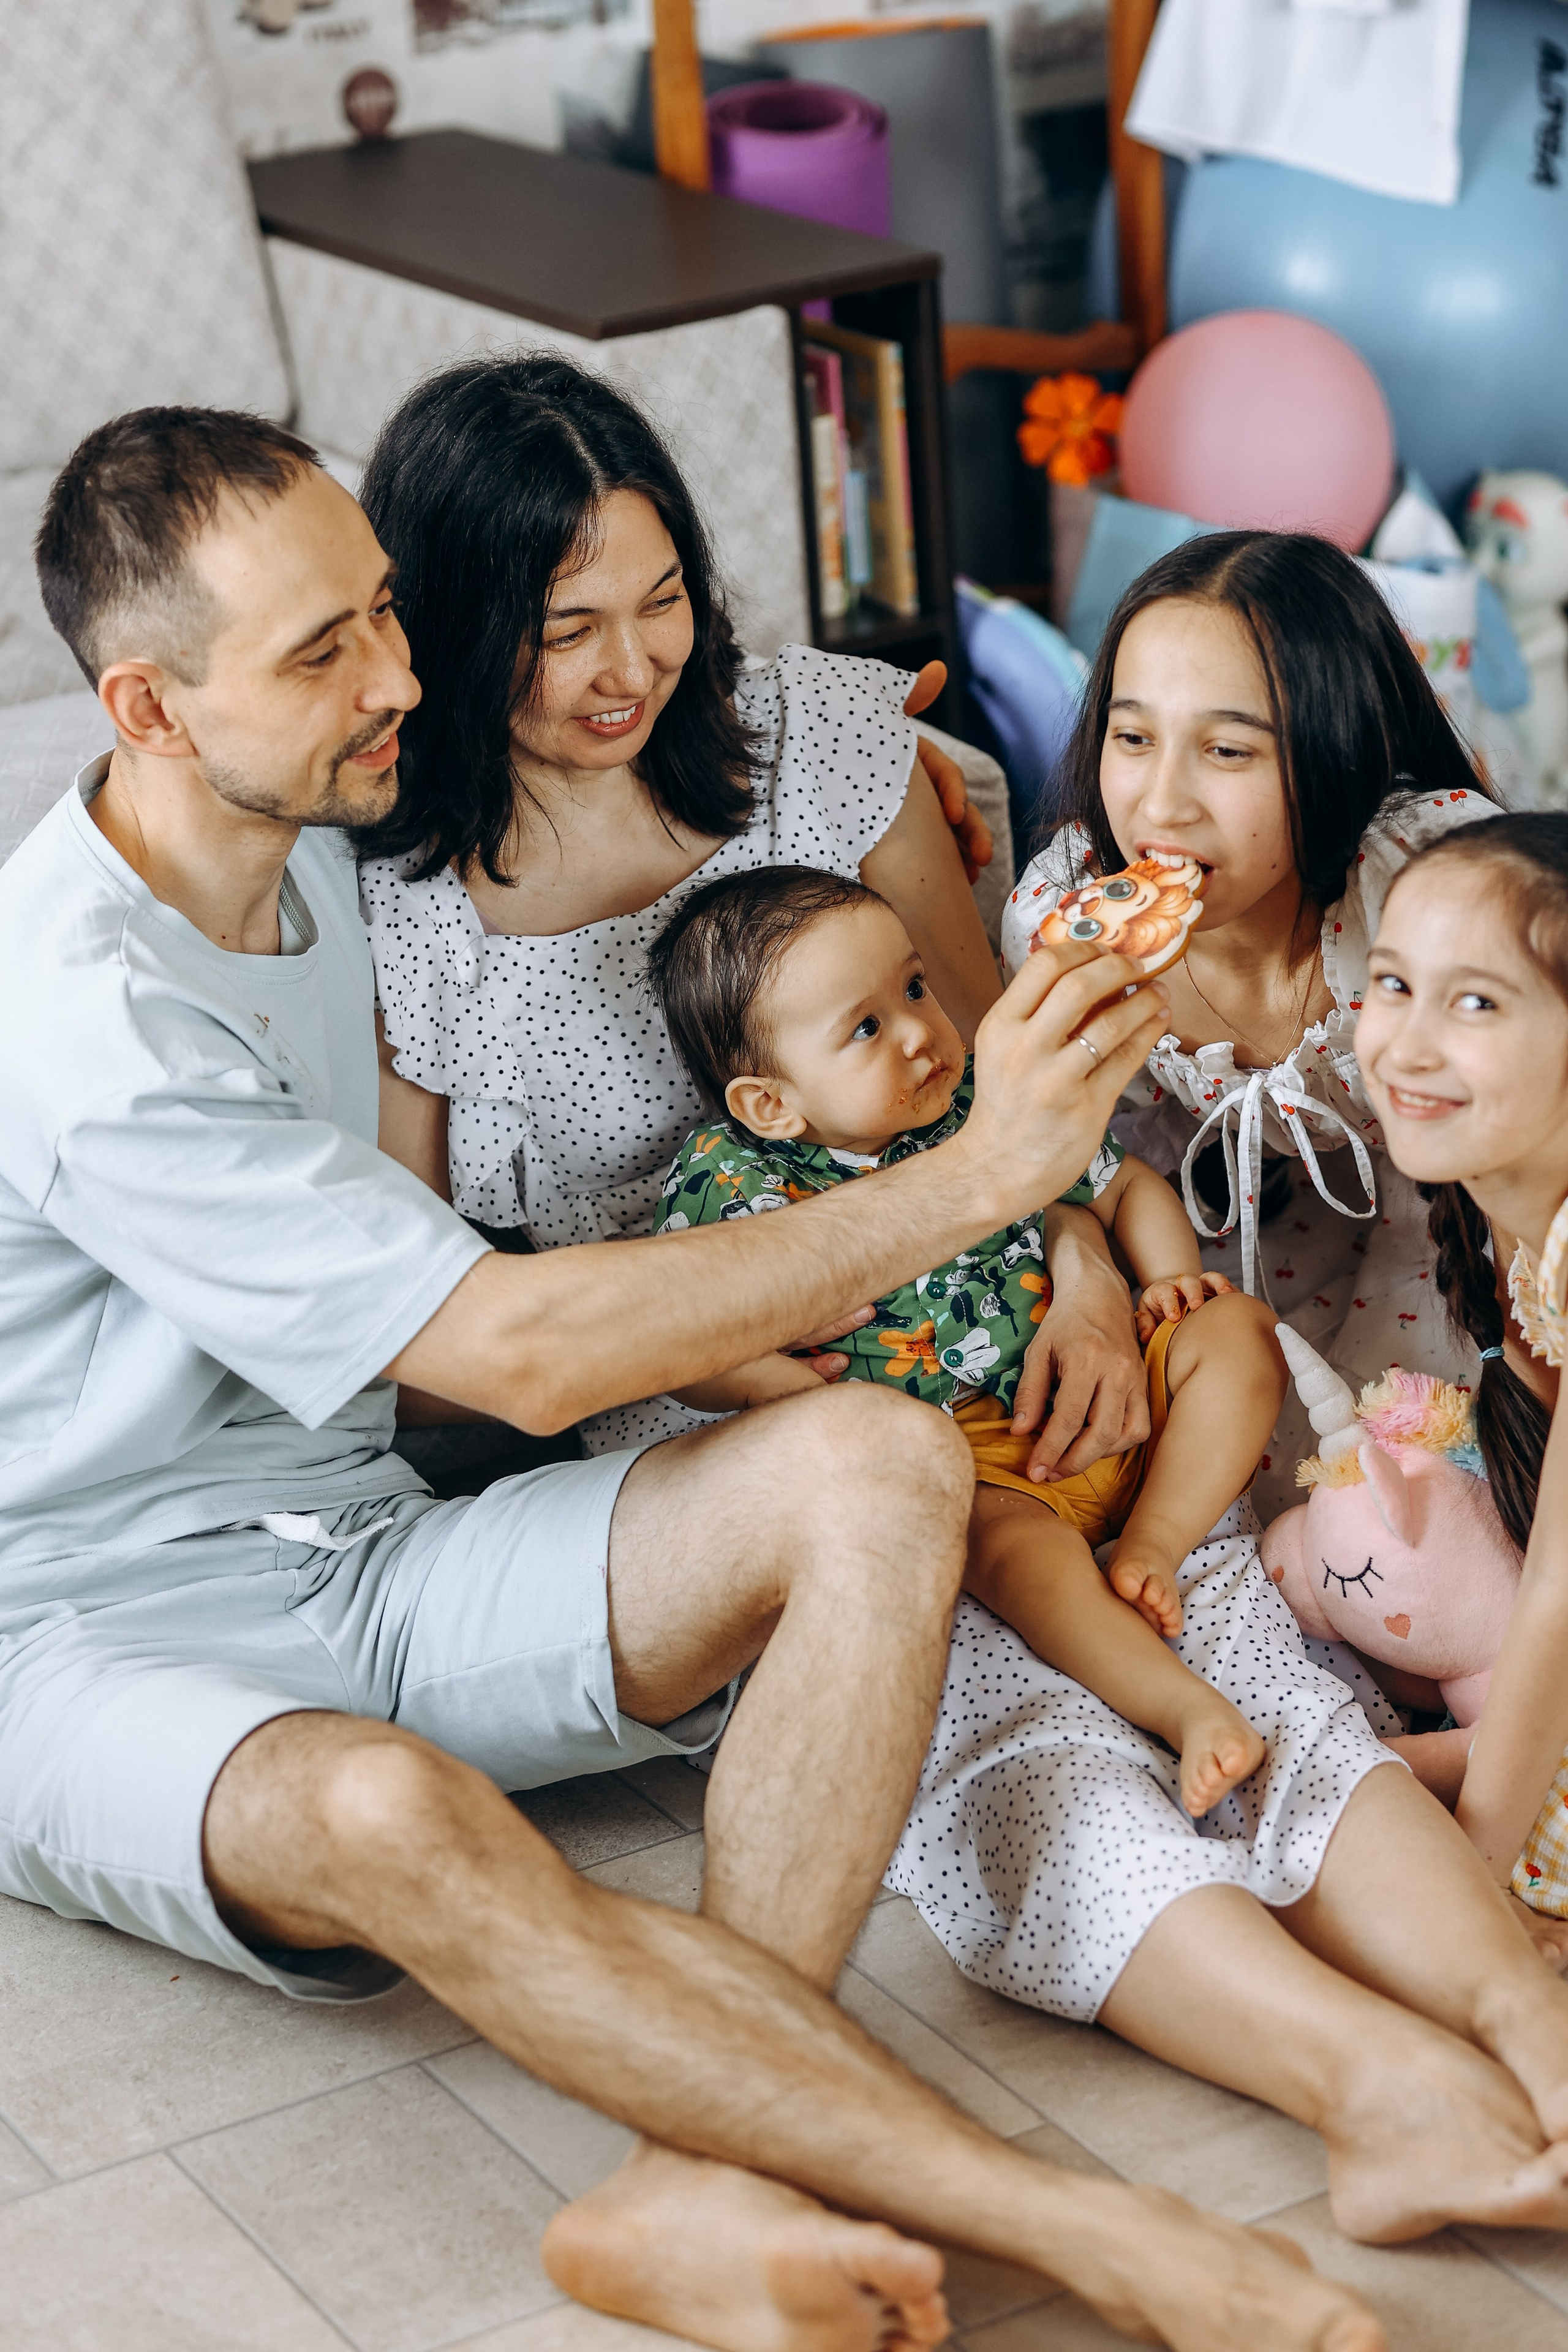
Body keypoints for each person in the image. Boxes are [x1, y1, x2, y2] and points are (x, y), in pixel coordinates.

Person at [0, 403, 1395, 2352]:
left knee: (890, 1462)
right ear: (149, 710)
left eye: (387, 616)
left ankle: (706, 2184)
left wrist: (923, 780)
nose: (402, 679)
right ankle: (1124, 2245)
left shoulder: (310, 846)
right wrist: (984, 1179)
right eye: (325, 655)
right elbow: (508, 1349)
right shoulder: (89, 1017)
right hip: (80, 1629)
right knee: (393, 1815)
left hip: (372, 1547)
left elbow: (809, 855)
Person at [358, 352, 1150, 1477]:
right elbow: (418, 1350)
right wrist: (696, 1358)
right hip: (680, 1416)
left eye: (664, 600)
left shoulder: (820, 740)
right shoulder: (417, 910)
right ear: (453, 633)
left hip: (993, 1312)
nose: (633, 670)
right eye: (568, 630)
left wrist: (1089, 1279)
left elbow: (1002, 1098)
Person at [647, 864, 1283, 1817]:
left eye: (913, 988)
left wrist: (1164, 1281)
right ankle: (1182, 1707)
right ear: (772, 1105)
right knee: (1005, 1551)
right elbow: (683, 1345)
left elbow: (1123, 1185)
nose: (917, 1032)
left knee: (1240, 1333)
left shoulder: (983, 1093)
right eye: (866, 1028)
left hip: (1111, 1381)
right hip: (972, 1460)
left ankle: (1154, 1539)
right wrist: (772, 1384)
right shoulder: (727, 1185)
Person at [1003, 530, 1496, 1520]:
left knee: (1409, 1493)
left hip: (1472, 1203)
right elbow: (1083, 1159)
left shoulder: (1428, 888)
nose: (1161, 806)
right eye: (1133, 739)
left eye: (1227, 750)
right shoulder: (1066, 927)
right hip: (1240, 1218)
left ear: (1333, 750)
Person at [1350, 812, 1568, 1956]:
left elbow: (1560, 1604)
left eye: (1476, 1002)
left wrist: (1479, 1889)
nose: (1407, 1045)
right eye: (1394, 983)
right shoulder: (1510, 1204)